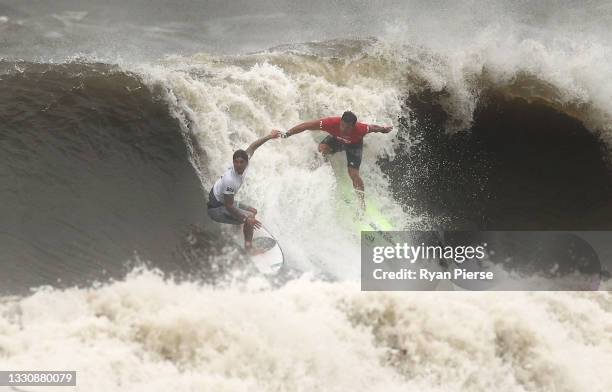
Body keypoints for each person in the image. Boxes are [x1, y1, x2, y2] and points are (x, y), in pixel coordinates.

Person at [280, 111, 392, 210]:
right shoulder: (330, 123)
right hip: (337, 140)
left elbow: (373, 128)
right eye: (342, 125)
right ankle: (326, 176)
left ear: (353, 126)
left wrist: (383, 130)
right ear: (340, 122)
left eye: (347, 128)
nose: (343, 129)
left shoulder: (360, 129)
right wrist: (287, 134)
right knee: (321, 150)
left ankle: (362, 203)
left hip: (354, 145)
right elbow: (306, 125)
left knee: (353, 175)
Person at [207, 130, 281, 251]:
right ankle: (249, 248)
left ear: (247, 161)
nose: (238, 165)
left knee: (253, 211)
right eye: (236, 162)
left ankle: (237, 229)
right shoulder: (230, 180)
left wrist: (269, 136)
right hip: (215, 207)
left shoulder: (247, 161)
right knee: (249, 218)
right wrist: (246, 219)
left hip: (222, 201)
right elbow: (229, 206)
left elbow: (253, 146)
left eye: (241, 162)